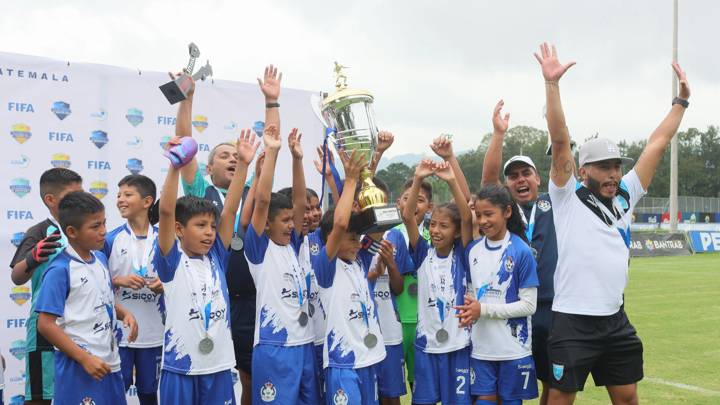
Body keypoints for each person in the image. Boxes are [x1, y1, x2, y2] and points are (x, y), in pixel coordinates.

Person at [535, 42, 691, 405]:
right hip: (572, 320)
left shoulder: (625, 194)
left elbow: (657, 142)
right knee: (559, 400)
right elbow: (560, 141)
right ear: (583, 170)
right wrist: (552, 85)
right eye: (604, 167)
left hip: (614, 319)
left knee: (627, 398)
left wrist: (681, 102)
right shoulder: (566, 195)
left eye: (617, 166)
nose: (613, 173)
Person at [172, 66, 280, 405]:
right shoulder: (201, 191)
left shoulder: (248, 188)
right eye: (224, 155)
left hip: (247, 299)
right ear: (208, 167)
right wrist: (187, 99)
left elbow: (271, 144)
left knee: (248, 376)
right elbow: (184, 146)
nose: (233, 159)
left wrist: (271, 102)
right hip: (205, 300)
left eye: (236, 156)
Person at [153, 129, 257, 403]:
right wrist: (174, 168)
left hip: (219, 366)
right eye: (200, 226)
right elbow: (165, 211)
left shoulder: (217, 258)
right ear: (178, 229)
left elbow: (230, 210)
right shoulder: (171, 261)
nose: (210, 232)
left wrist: (245, 165)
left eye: (212, 226)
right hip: (181, 367)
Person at [481, 99, 558, 404]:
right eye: (513, 176)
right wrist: (498, 135)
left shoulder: (557, 205)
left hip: (553, 307)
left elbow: (564, 161)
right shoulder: (506, 212)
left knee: (555, 383)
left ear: (538, 178)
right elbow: (488, 181)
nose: (520, 179)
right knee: (509, 386)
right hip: (512, 309)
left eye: (526, 173)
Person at [35, 191, 138, 405]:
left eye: (104, 223)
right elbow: (45, 324)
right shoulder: (60, 270)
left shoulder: (100, 258)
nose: (103, 232)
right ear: (72, 232)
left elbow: (101, 299)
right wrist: (84, 358)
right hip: (79, 367)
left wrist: (124, 313)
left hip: (109, 363)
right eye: (95, 227)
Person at [245, 122, 321, 404]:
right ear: (266, 224)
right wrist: (272, 153)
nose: (293, 225)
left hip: (305, 343)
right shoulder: (260, 249)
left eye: (293, 220)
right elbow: (262, 200)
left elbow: (300, 203)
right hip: (274, 347)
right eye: (285, 221)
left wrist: (298, 160)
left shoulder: (294, 245)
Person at [313, 149, 389, 405]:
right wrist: (350, 180)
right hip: (342, 361)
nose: (357, 243)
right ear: (330, 242)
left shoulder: (361, 261)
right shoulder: (326, 266)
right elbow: (340, 224)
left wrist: (367, 175)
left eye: (358, 238)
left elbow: (378, 224)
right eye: (351, 238)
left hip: (370, 357)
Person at [456, 184, 540, 404]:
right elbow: (472, 295)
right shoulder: (472, 250)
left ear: (507, 212)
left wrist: (482, 310)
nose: (483, 221)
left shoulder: (521, 251)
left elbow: (529, 306)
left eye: (489, 214)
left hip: (512, 349)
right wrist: (467, 312)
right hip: (481, 349)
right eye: (479, 215)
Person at [9, 168, 82, 405]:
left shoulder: (85, 230)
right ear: (50, 200)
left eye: (81, 194)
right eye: (72, 196)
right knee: (40, 397)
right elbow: (17, 277)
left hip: (82, 327)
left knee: (81, 395)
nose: (78, 202)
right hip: (44, 329)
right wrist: (32, 257)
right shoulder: (39, 232)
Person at [403, 159, 473, 405]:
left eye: (443, 226)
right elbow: (409, 218)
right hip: (427, 346)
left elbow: (466, 218)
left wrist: (452, 181)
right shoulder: (423, 254)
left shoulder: (463, 255)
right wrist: (419, 178)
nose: (435, 230)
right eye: (433, 225)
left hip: (458, 346)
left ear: (455, 232)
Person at [104, 175, 163, 405]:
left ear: (147, 201)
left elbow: (181, 280)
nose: (120, 200)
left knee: (149, 394)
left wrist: (165, 286)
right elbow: (95, 282)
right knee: (117, 392)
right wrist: (118, 281)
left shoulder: (165, 240)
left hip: (155, 333)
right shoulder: (110, 239)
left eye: (128, 194)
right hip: (120, 334)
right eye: (119, 195)